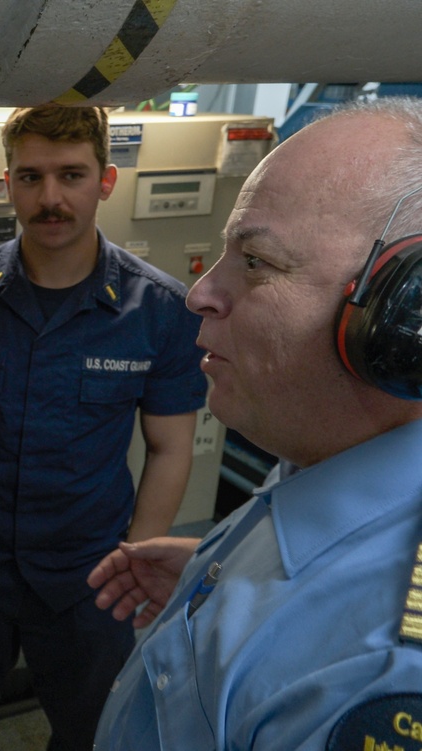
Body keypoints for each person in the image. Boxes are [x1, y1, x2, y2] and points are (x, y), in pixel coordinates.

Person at [89, 97, 422, 750]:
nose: (200, 292)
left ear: (402, 315)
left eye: (258, 262)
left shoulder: (376, 673)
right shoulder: (327, 445)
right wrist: (226, 573)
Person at [0, 103, 207, 750]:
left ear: (106, 181)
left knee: (92, 731)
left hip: (88, 572)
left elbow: (171, 446)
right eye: (30, 177)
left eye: (71, 175)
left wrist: (134, 560)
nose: (50, 197)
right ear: (9, 183)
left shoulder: (161, 310)